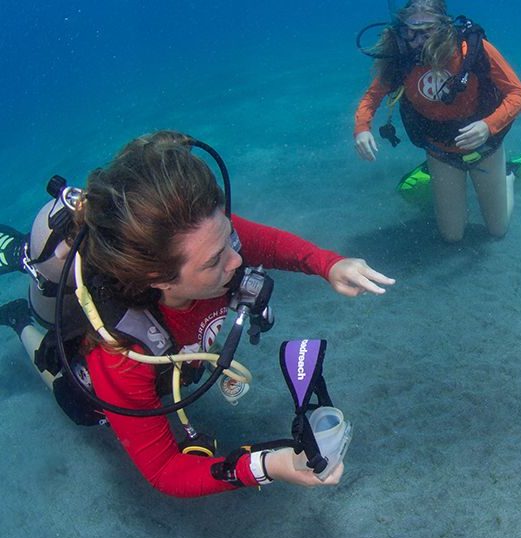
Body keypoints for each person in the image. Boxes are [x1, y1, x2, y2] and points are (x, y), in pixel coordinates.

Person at [0, 130, 395, 497]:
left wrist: (329, 265)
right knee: (81, 405)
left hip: (172, 351)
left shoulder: (205, 237)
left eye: (229, 237)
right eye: (213, 262)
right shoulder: (121, 357)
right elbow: (164, 471)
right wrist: (269, 465)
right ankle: (19, 314)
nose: (237, 258)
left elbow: (270, 245)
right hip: (100, 368)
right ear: (159, 279)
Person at [353, 0, 521, 242]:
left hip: (485, 148)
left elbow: (519, 95)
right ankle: (437, 179)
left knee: (498, 230)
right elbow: (372, 97)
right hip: (440, 152)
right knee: (452, 236)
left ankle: (507, 175)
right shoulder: (400, 60)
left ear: (443, 28)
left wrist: (488, 126)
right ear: (400, 29)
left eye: (426, 31)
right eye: (410, 32)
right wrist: (362, 129)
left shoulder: (473, 49)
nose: (418, 41)